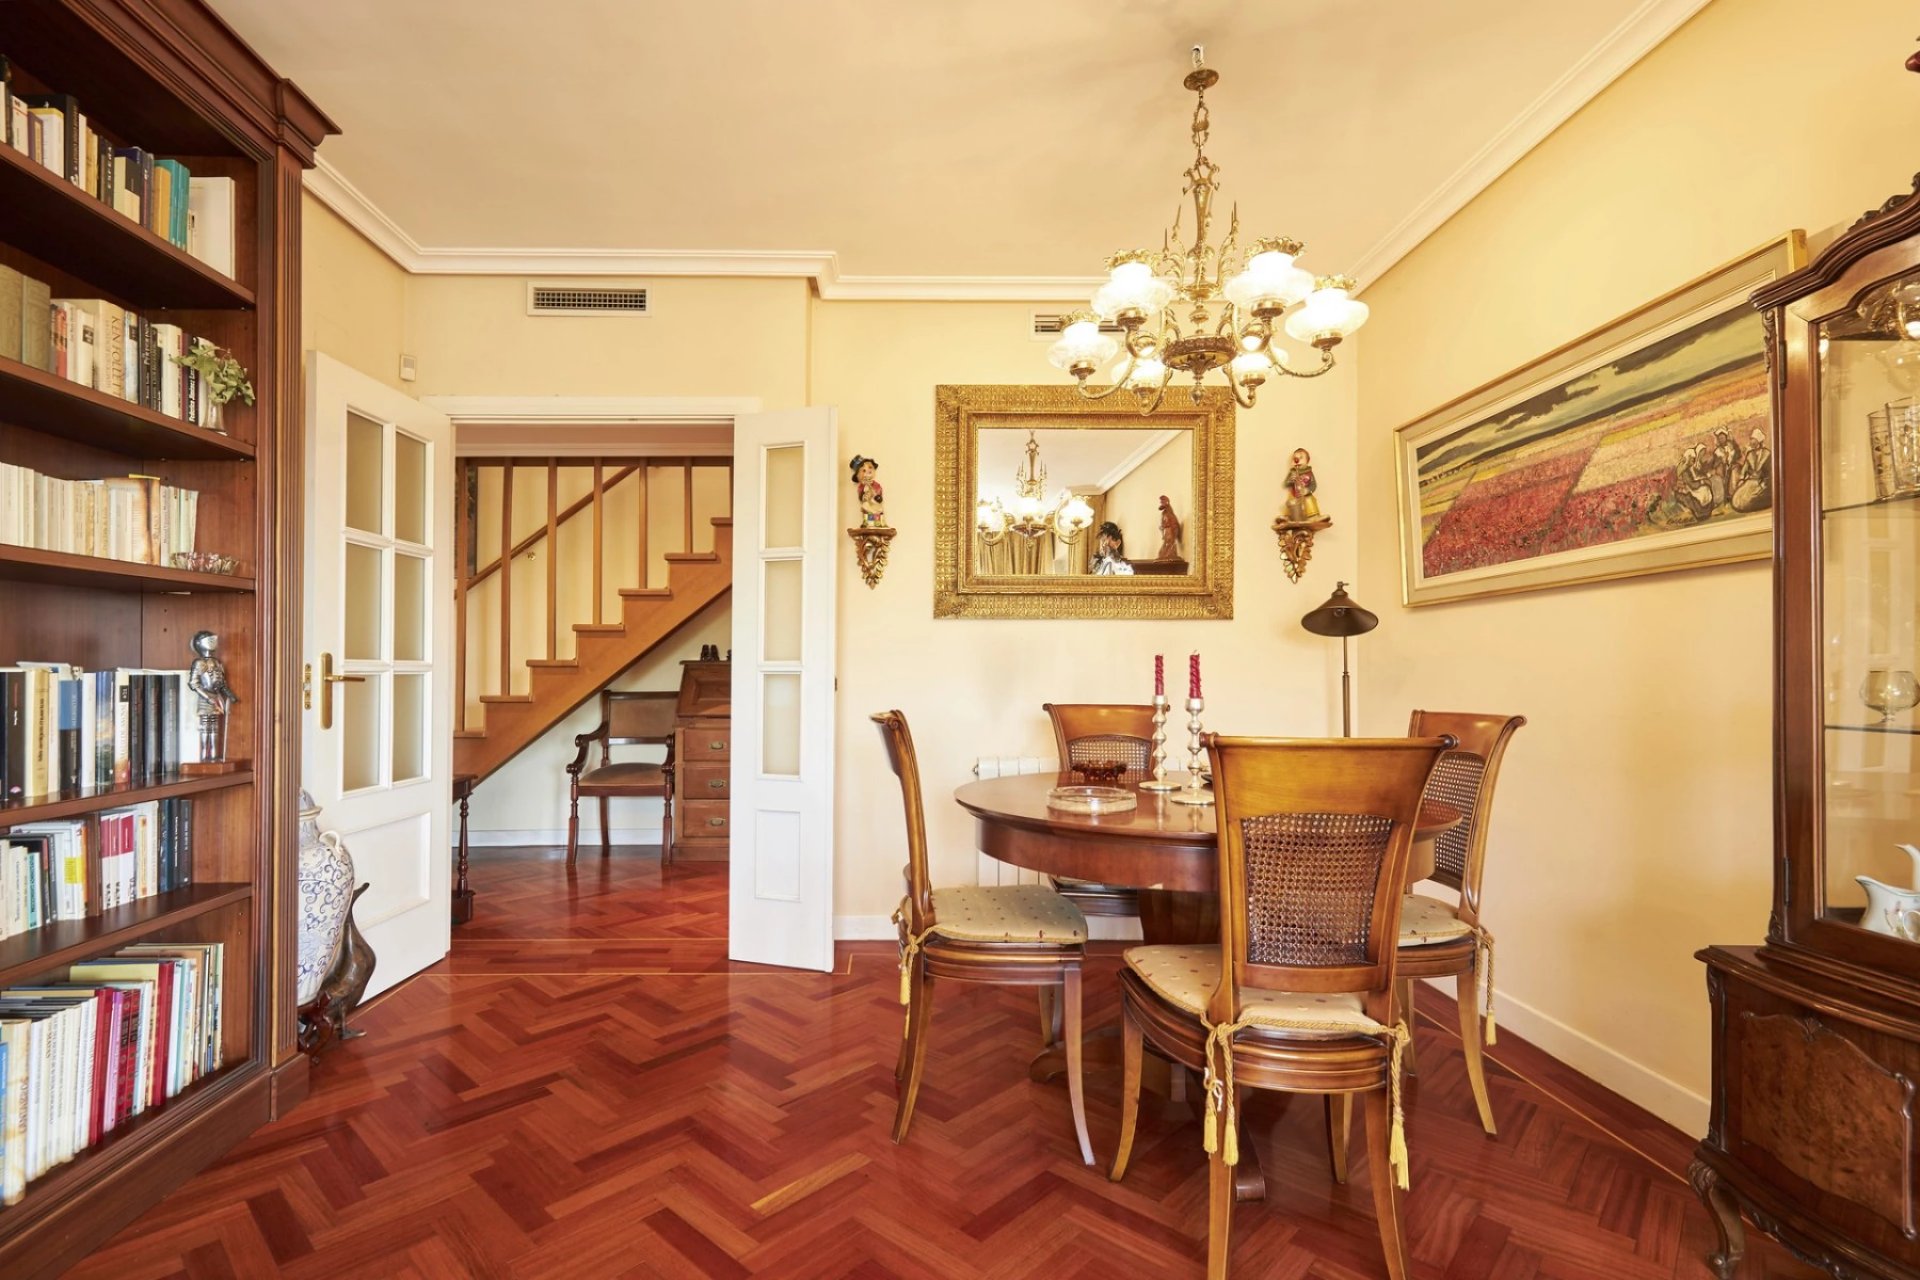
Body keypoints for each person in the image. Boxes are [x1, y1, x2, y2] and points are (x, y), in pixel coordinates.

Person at [1731, 426, 1771, 513]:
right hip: (1750, 482)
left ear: (1758, 441)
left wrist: (1764, 484)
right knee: (1737, 500)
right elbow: (1744, 469)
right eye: (1751, 439)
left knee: (1752, 499)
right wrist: (1741, 480)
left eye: (1753, 440)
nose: (1751, 442)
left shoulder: (1767, 453)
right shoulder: (1750, 454)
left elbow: (1769, 473)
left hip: (1761, 483)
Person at [1283, 448, 1322, 522]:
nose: (1296, 460)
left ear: (1307, 461)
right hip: (1294, 494)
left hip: (1305, 494)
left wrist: (1307, 490)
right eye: (1294, 458)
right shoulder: (1292, 472)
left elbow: (1313, 485)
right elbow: (1285, 484)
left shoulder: (1309, 472)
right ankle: (1287, 517)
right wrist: (1291, 480)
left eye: (1301, 457)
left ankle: (1313, 516)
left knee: (1309, 499)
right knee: (1290, 501)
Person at [849, 455, 885, 527]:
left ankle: (878, 522)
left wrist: (874, 493)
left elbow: (878, 496)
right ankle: (868, 522)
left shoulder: (876, 485)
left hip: (874, 503)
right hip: (868, 504)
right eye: (863, 470)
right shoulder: (861, 486)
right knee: (865, 506)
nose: (868, 472)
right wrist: (864, 496)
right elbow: (861, 496)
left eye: (870, 468)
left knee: (879, 508)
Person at [1156, 495, 1181, 559]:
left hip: (1170, 529)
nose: (1161, 503)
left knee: (1169, 542)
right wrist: (1162, 527)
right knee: (1166, 543)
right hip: (1167, 530)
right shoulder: (1164, 513)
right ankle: (1165, 555)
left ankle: (1169, 554)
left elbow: (1172, 522)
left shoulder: (1169, 511)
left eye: (1162, 501)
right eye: (1161, 501)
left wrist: (1171, 529)